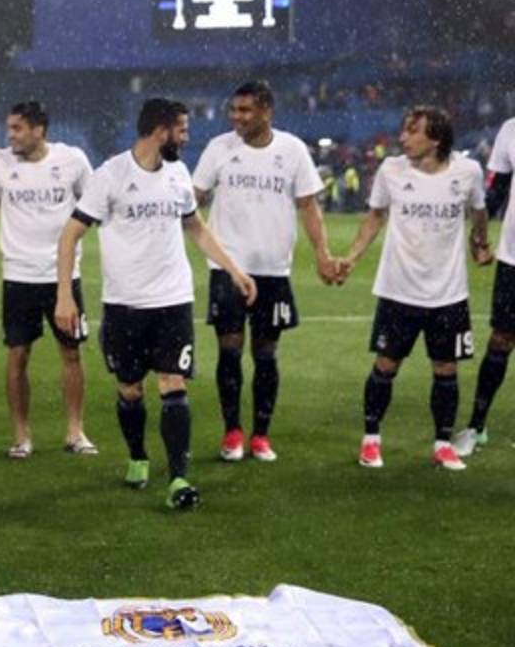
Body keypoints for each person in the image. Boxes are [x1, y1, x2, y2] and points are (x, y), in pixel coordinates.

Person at [54, 98, 257, 510]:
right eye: (181, 129)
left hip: (173, 300)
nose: (186, 137)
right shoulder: (111, 175)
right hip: (125, 303)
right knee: (130, 389)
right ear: (161, 129)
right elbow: (70, 235)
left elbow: (195, 227)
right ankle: (138, 456)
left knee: (173, 383)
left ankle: (179, 477)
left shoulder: (178, 174)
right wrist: (63, 294)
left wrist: (234, 270)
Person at [0, 101, 96, 459]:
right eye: (9, 129)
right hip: (18, 276)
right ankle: (21, 437)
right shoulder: (0, 163)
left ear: (39, 129)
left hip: (62, 276)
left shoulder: (73, 161)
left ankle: (75, 431)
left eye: (17, 129)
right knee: (17, 354)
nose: (10, 136)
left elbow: (93, 208)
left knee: (71, 352)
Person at [191, 81, 334, 463]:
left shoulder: (292, 151)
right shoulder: (219, 148)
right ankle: (233, 432)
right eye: (233, 110)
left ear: (267, 111)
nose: (236, 117)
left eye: (245, 110)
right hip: (229, 268)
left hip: (273, 270)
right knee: (229, 350)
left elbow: (308, 207)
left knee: (266, 354)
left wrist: (322, 254)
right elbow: (193, 200)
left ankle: (261, 435)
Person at [340, 106, 491, 470]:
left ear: (435, 139)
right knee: (386, 365)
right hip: (398, 289)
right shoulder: (391, 170)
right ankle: (371, 440)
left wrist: (481, 240)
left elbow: (479, 210)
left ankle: (442, 444)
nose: (403, 137)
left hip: (448, 293)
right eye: (404, 130)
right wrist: (352, 257)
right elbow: (376, 216)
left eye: (412, 131)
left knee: (446, 370)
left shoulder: (467, 171)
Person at [453, 115, 515, 457]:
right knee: (501, 340)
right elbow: (498, 190)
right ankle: (477, 426)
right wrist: (478, 237)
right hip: (513, 258)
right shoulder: (511, 129)